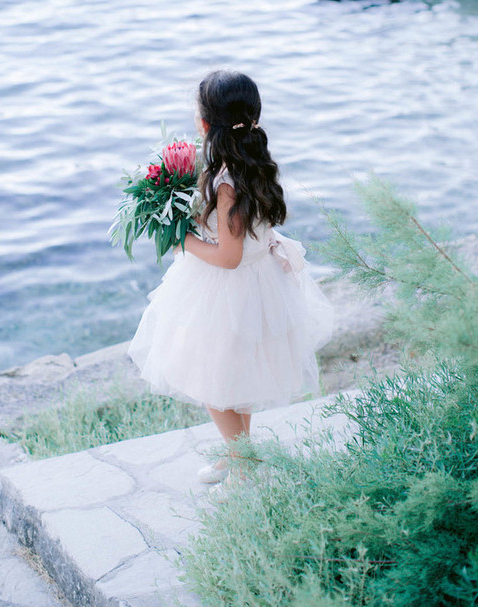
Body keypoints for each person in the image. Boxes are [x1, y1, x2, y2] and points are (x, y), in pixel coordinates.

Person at [128, 70, 334, 489]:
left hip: (230, 288)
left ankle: (244, 466)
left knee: (213, 381)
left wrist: (182, 241)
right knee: (235, 376)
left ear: (205, 124)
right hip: (261, 283)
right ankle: (238, 450)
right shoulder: (252, 162)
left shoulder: (226, 183)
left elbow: (227, 256)